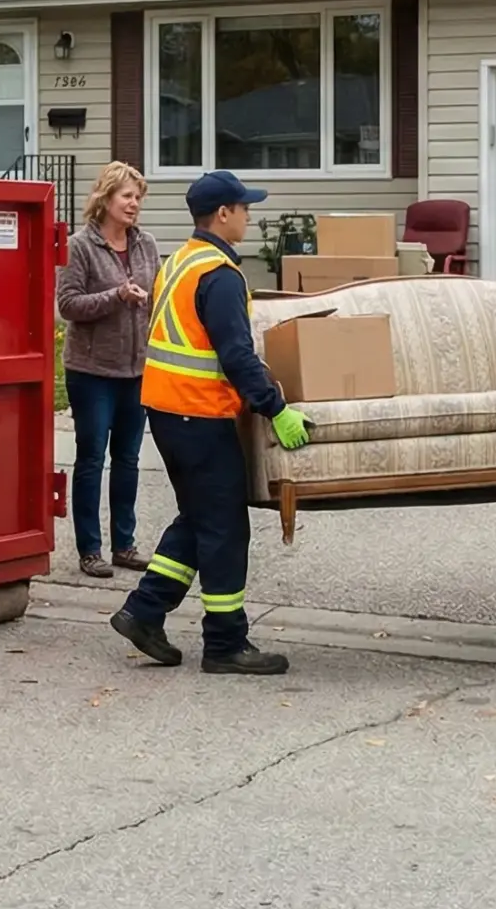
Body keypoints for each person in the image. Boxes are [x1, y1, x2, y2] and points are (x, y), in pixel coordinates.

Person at [110, 171, 310, 677]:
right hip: (198, 415)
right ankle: (225, 643)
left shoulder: (178, 262)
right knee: (223, 527)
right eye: (245, 207)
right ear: (223, 214)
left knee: (199, 517)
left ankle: (144, 611)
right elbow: (236, 355)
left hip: (168, 411)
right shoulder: (218, 274)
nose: (249, 215)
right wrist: (275, 408)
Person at [55, 161, 160, 578]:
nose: (134, 204)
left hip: (137, 370)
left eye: (138, 197)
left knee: (129, 459)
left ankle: (125, 544)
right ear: (106, 198)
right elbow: (68, 306)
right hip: (92, 371)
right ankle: (89, 549)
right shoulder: (80, 246)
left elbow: (157, 296)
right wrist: (117, 295)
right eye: (127, 196)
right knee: (92, 458)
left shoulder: (146, 244)